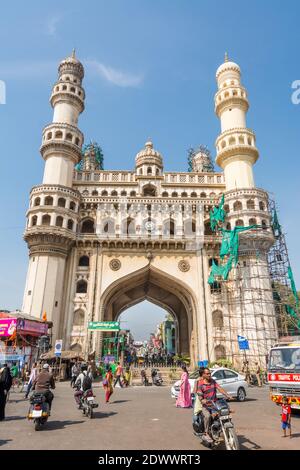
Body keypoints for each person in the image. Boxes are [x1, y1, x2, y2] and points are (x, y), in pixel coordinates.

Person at [195, 367, 233, 442]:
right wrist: (202, 400)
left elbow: (220, 388)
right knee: (208, 416)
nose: (209, 375)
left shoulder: (213, 381)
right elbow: (199, 394)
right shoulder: (201, 384)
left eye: (210, 373)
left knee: (224, 412)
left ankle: (221, 429)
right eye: (207, 373)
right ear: (203, 375)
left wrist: (227, 395)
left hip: (215, 405)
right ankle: (206, 433)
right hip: (206, 406)